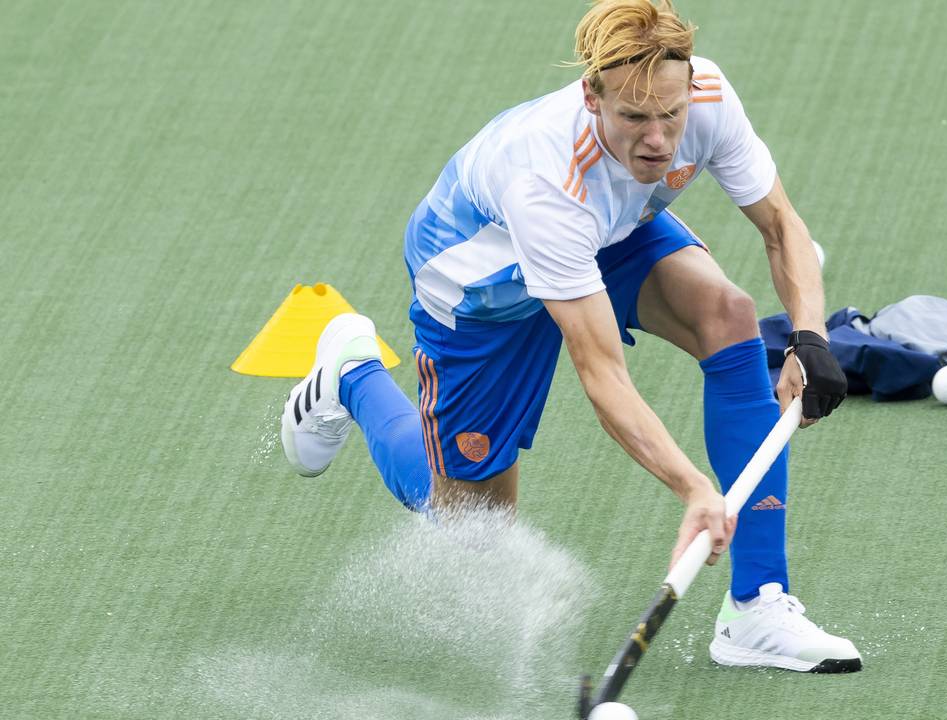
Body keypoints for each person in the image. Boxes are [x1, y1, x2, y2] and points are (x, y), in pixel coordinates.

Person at [280, 0, 860, 673]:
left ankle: (756, 606)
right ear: (592, 96)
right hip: (482, 283)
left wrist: (809, 339)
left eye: (669, 115)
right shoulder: (544, 183)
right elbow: (601, 373)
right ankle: (353, 374)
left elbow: (781, 225)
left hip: (606, 229)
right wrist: (693, 489)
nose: (658, 140)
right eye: (634, 118)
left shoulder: (706, 96)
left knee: (725, 312)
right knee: (474, 530)